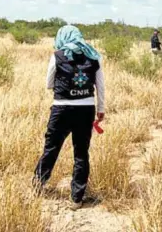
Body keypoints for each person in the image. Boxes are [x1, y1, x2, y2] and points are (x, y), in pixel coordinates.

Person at [33, 25, 105, 211]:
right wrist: (101, 109)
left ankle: (38, 185)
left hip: (61, 109)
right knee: (81, 153)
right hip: (86, 109)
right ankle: (76, 198)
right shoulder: (93, 55)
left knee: (51, 148)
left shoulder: (57, 55)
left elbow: (49, 84)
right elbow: (100, 86)